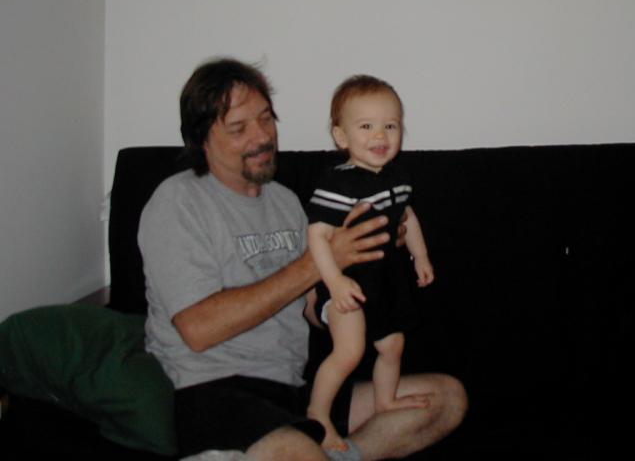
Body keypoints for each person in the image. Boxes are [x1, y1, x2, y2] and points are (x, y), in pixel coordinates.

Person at [139, 58, 466, 461]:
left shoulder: (287, 202)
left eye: (266, 118)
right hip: (214, 392)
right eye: (239, 128)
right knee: (296, 451)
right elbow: (198, 329)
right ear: (201, 138)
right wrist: (319, 261)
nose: (262, 137)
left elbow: (313, 308)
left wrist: (366, 265)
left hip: (293, 388)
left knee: (445, 398)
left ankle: (331, 454)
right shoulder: (178, 202)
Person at [306, 75, 434, 451]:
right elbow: (317, 236)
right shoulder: (338, 184)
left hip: (385, 282)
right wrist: (334, 283)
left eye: (390, 126)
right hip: (346, 284)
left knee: (393, 346)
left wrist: (420, 256)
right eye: (366, 126)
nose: (380, 136)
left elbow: (407, 216)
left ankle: (385, 400)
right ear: (341, 136)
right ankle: (317, 414)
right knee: (349, 351)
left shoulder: (398, 177)